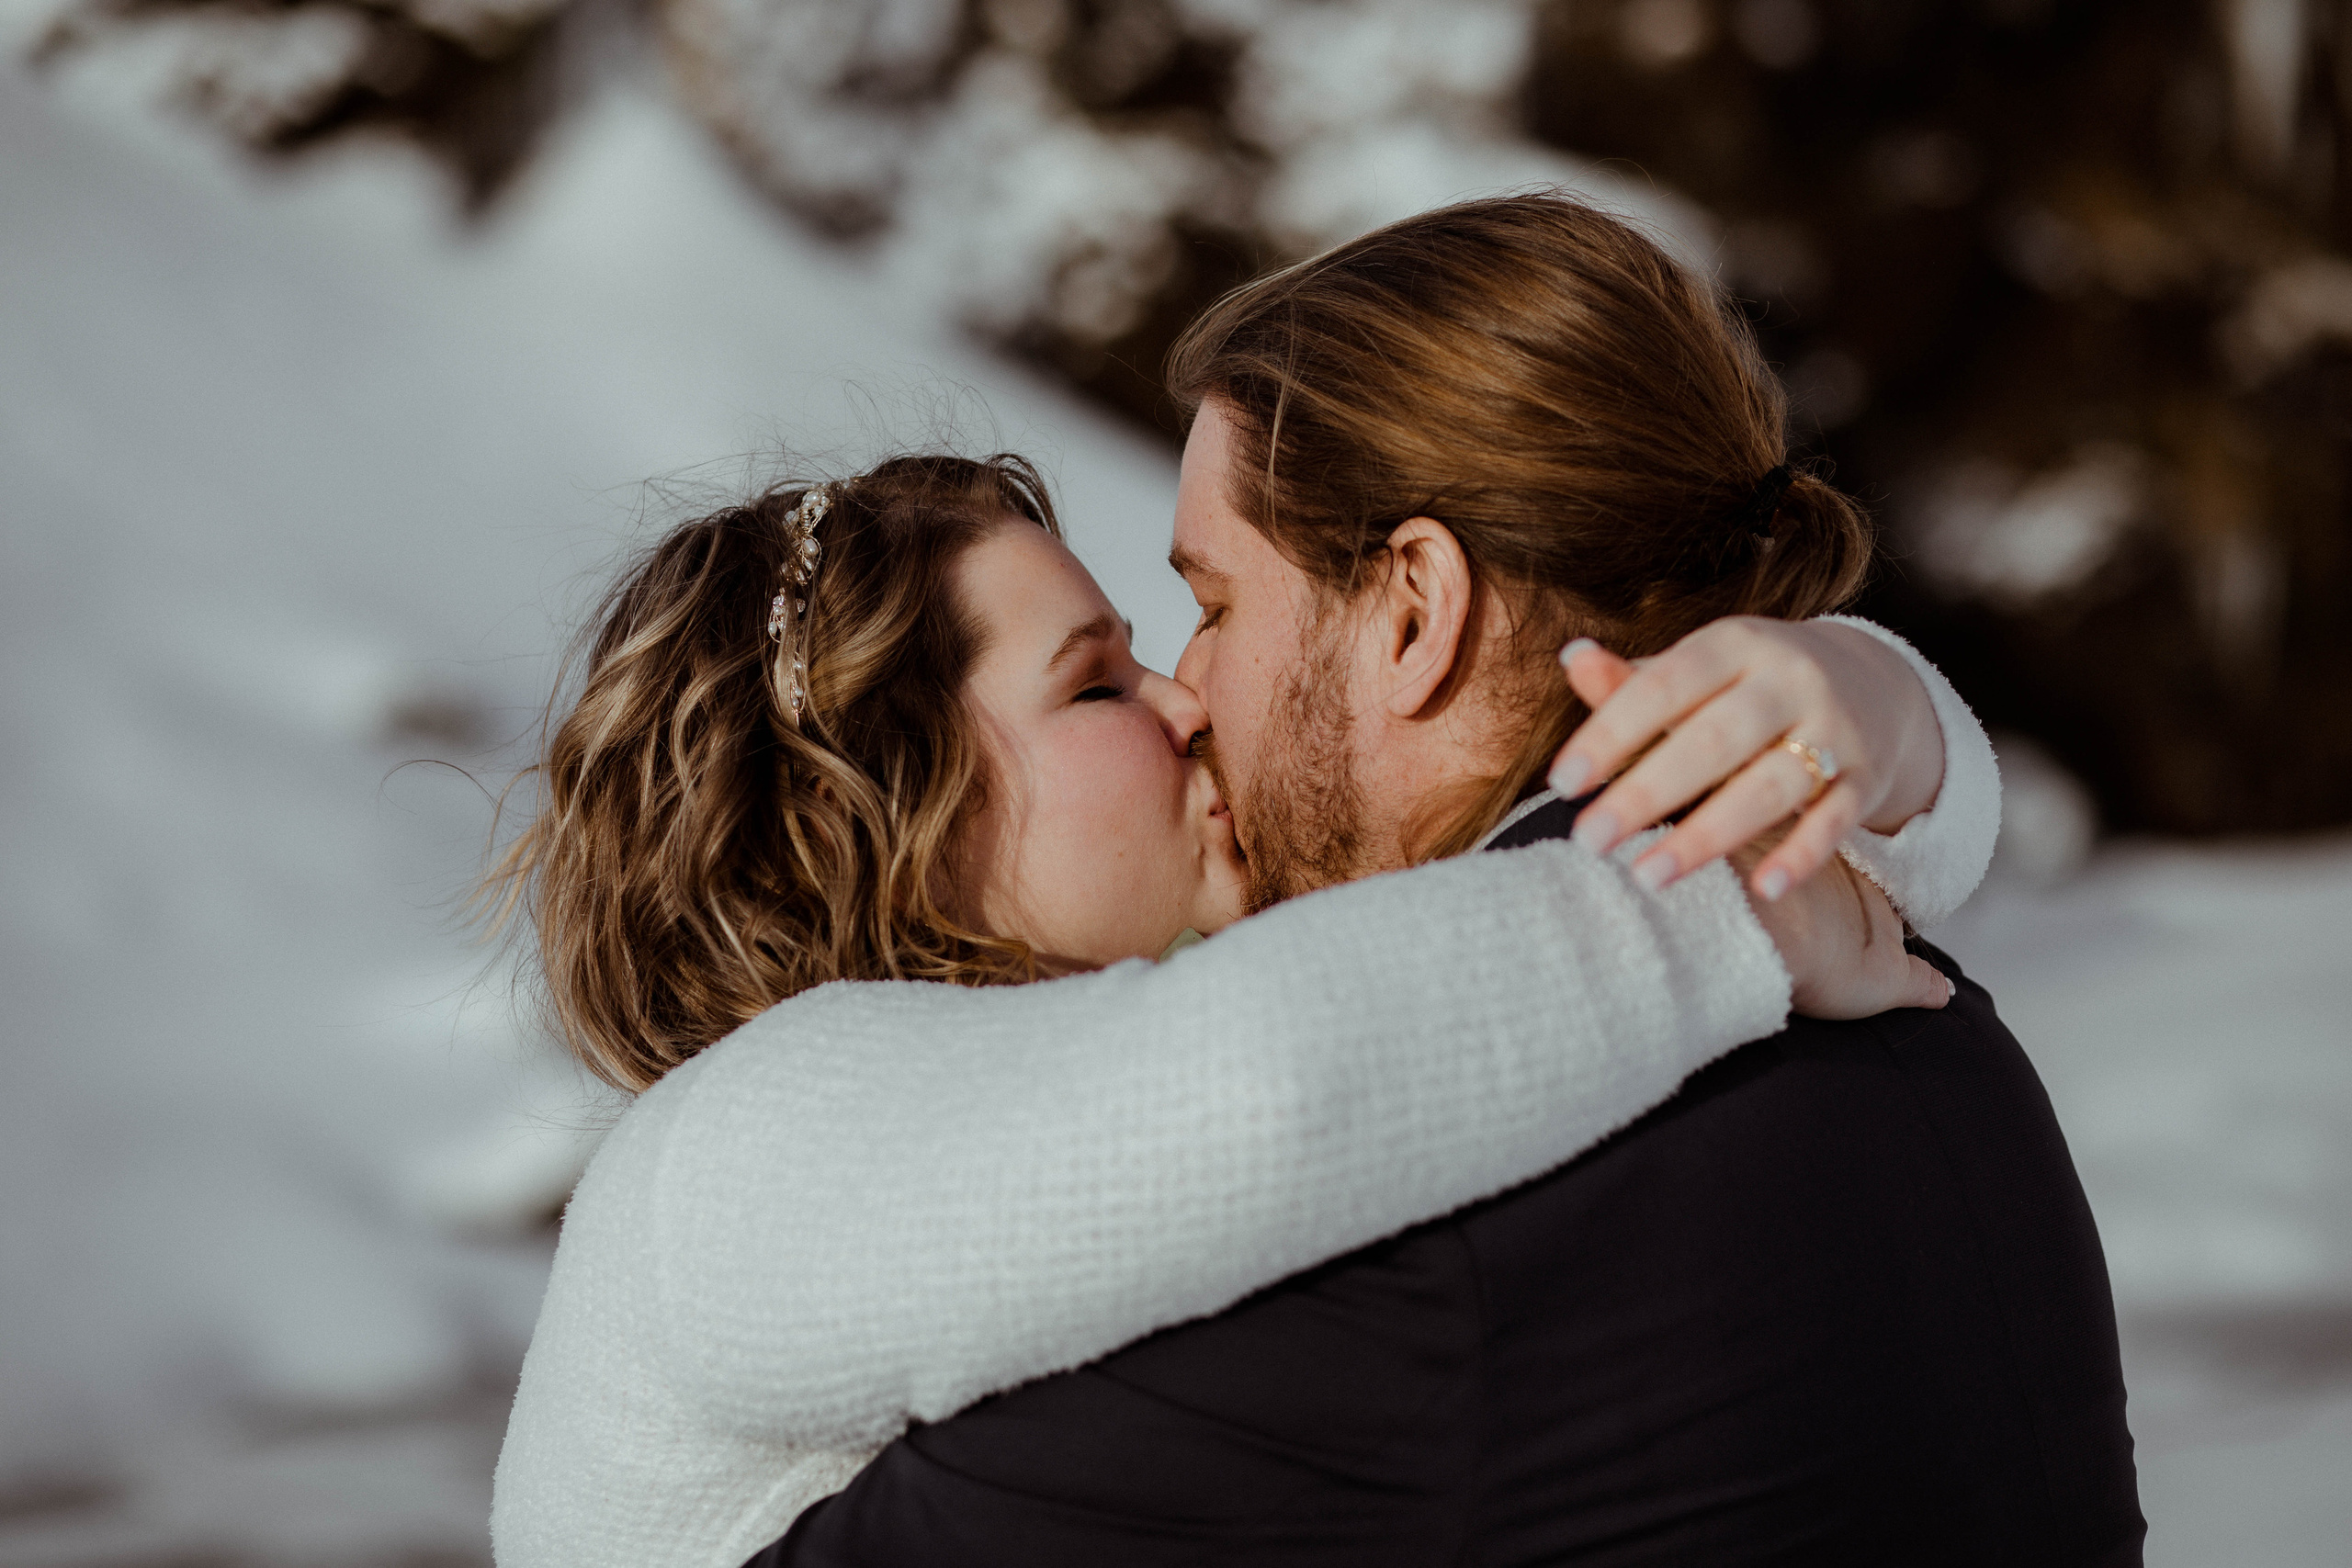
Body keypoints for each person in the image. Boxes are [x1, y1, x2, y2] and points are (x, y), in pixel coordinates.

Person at [758, 197, 2144, 1564]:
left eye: (1217, 605)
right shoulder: (1935, 1020)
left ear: (1415, 611)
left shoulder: (1415, 1210)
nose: (1188, 688)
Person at [486, 443, 1996, 1565]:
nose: (1186, 703)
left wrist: (1870, 711)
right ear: (874, 815)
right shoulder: (749, 1133)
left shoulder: (912, 1106)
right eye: (1094, 686)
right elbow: (1266, 1093)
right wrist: (1716, 902)